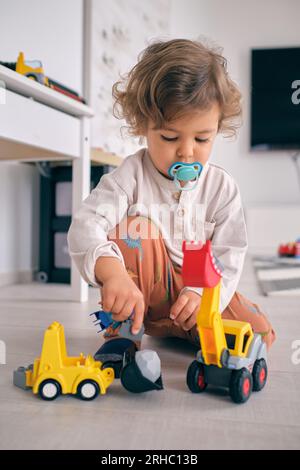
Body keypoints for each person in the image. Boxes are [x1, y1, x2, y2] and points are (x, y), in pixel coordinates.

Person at [67, 38, 275, 362]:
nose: (187, 151)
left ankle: (183, 332)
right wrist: (112, 274)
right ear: (143, 126)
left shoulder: (222, 187)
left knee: (259, 335)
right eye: (169, 137)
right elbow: (87, 223)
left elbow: (229, 253)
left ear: (217, 128)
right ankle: (124, 337)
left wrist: (204, 295)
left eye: (203, 138)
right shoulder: (130, 175)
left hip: (200, 298)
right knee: (133, 231)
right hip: (143, 297)